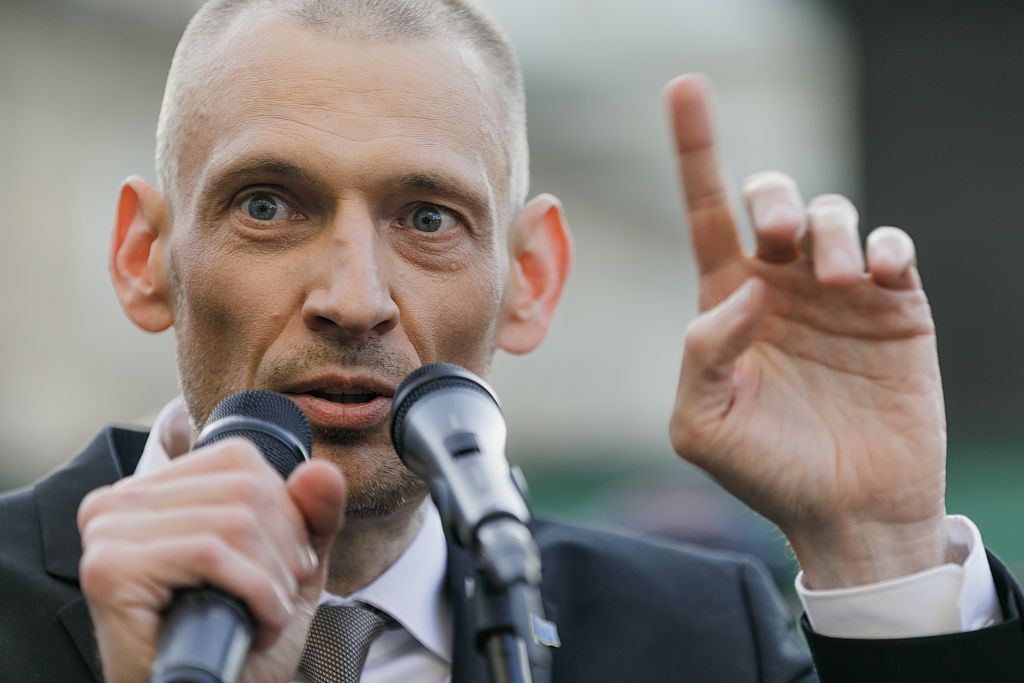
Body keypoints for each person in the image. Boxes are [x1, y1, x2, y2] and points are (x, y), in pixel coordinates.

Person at [1, 0, 1022, 681]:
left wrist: (875, 547)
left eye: (430, 218)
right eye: (268, 205)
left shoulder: (697, 636)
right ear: (145, 253)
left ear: (531, 280)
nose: (355, 298)